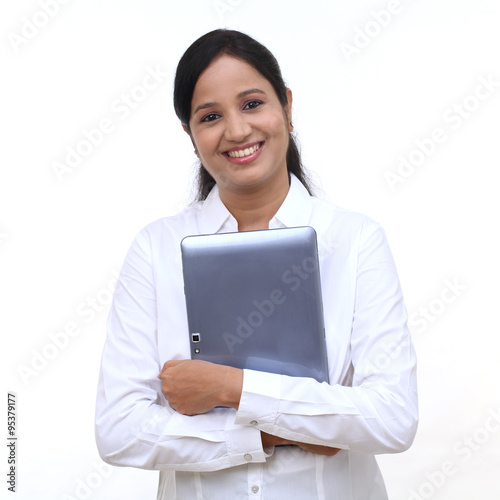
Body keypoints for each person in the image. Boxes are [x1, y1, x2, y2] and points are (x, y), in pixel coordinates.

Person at [95, 29, 418, 499]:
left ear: (286, 107)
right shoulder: (156, 248)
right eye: (210, 116)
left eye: (252, 104)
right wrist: (271, 434)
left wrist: (230, 387)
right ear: (190, 134)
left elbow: (392, 418)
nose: (237, 130)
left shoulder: (354, 241)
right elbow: (119, 429)